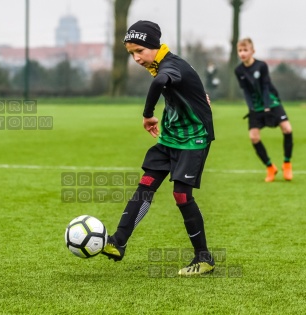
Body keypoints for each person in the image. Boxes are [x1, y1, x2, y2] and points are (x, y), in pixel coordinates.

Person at [101, 20, 215, 276]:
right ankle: (118, 242)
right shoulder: (161, 64)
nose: (136, 58)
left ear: (153, 46)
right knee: (146, 185)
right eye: (131, 53)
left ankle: (204, 258)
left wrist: (147, 114)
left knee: (181, 196)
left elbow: (161, 82)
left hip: (194, 138)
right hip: (171, 137)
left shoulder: (169, 65)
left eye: (139, 51)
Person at [234, 38, 293, 182]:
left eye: (245, 50)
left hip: (271, 102)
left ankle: (287, 164)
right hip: (256, 105)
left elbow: (266, 86)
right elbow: (246, 91)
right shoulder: (238, 70)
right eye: (240, 50)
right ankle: (270, 167)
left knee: (287, 129)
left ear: (252, 51)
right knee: (254, 137)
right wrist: (251, 108)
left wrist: (267, 105)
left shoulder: (261, 66)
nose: (242, 53)